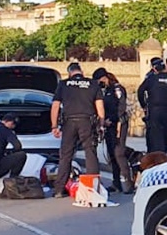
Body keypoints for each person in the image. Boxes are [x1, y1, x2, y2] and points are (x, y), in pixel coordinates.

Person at [50, 62, 105, 198]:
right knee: (90, 153)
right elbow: (100, 106)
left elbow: (55, 106)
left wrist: (54, 126)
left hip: (69, 122)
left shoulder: (63, 84)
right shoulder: (93, 84)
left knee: (66, 155)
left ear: (69, 73)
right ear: (82, 71)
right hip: (87, 121)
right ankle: (93, 188)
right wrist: (101, 124)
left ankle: (59, 189)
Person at [94, 68, 135, 194]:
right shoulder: (104, 91)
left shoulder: (117, 89)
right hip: (108, 125)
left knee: (119, 153)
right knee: (111, 154)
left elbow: (121, 106)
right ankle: (116, 182)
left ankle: (128, 183)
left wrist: (112, 119)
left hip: (119, 124)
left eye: (99, 80)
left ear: (105, 77)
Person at [137, 57, 167, 153]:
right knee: (165, 137)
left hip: (154, 112)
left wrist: (144, 106)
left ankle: (153, 158)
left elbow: (140, 91)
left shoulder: (151, 78)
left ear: (154, 68)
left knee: (154, 137)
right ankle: (162, 156)